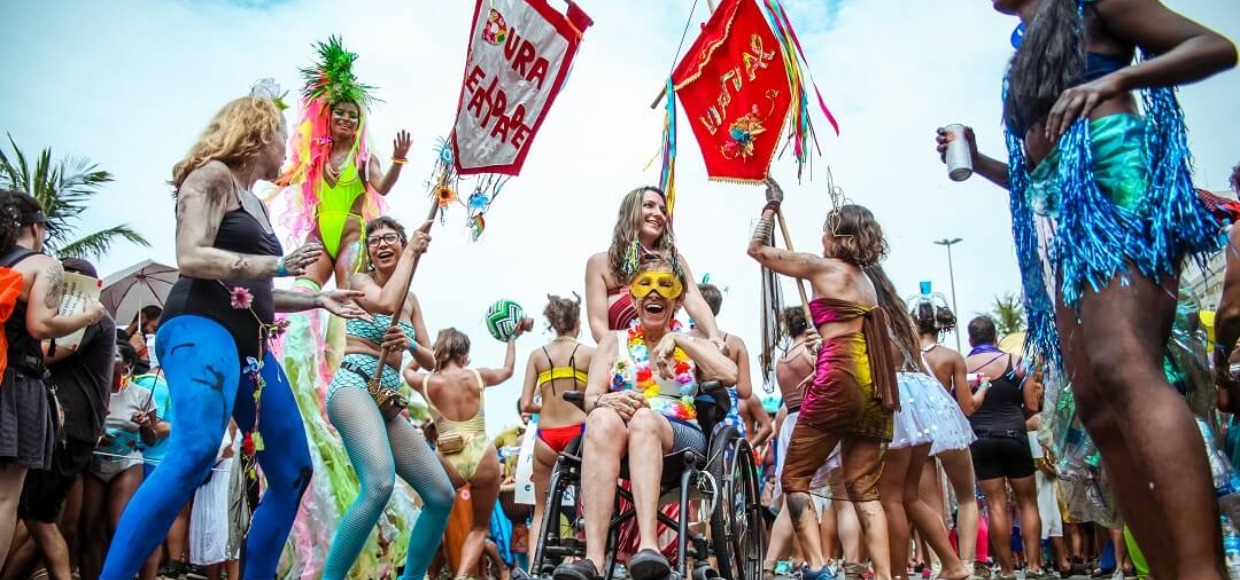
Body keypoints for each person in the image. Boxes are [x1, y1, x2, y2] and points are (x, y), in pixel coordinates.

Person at [938, 1, 1235, 576]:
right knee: (1096, 402)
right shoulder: (1030, 42)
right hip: (1066, 219)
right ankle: (1170, 569)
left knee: (1122, 366)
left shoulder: (1094, 3)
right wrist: (978, 162)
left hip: (1113, 173)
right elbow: (1032, 174)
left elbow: (1214, 47)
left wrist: (1122, 78)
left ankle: (1202, 570)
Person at [99, 85, 368, 580]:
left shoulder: (259, 205)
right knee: (197, 446)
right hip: (201, 326)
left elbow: (262, 285)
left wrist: (315, 296)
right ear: (258, 132)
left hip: (251, 348)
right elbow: (192, 256)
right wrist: (280, 264)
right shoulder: (210, 177)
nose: (289, 145)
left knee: (292, 470)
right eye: (282, 135)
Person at [748, 180, 898, 580]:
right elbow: (846, 327)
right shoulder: (868, 283)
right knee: (863, 490)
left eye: (826, 230)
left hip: (840, 377)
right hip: (873, 383)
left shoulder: (821, 266)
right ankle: (882, 575)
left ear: (838, 237)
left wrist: (770, 209)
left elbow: (758, 250)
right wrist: (823, 338)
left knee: (794, 477)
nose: (820, 237)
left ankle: (817, 567)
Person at [553, 255, 738, 580]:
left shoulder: (692, 341)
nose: (654, 293)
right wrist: (605, 399)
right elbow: (591, 397)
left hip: (679, 433)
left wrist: (679, 340)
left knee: (643, 420)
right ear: (634, 297)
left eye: (664, 286)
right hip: (618, 432)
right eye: (645, 286)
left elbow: (730, 373)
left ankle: (648, 549)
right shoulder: (613, 341)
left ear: (678, 299)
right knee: (598, 419)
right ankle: (592, 559)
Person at [320, 216, 455, 580]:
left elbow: (431, 359)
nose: (381, 244)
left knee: (442, 495)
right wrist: (411, 250)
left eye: (389, 238)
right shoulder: (361, 281)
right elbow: (383, 302)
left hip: (385, 398)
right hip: (353, 384)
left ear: (401, 242)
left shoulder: (411, 301)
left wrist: (408, 343)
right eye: (374, 240)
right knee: (379, 483)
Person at [0, 190, 105, 569]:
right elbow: (41, 326)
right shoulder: (44, 263)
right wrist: (86, 316)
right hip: (15, 382)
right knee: (6, 497)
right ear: (37, 226)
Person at [275, 36, 410, 291]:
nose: (346, 119)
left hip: (352, 235)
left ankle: (344, 332)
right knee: (303, 292)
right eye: (340, 113)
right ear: (329, 117)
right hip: (319, 233)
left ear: (359, 124)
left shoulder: (364, 157)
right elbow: (281, 178)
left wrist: (398, 160)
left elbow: (382, 186)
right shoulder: (315, 156)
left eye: (353, 116)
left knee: (347, 297)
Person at [12, 257, 115, 580]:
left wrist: (16, 342)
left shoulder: (87, 315)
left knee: (36, 516)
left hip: (67, 427)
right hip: (74, 428)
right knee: (43, 518)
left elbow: (50, 352)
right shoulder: (93, 317)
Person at [407, 326, 526, 580]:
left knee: (435, 516)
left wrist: (420, 353)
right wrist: (513, 338)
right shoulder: (476, 376)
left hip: (448, 457)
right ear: (465, 356)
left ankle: (421, 573)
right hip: (481, 451)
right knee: (479, 526)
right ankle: (462, 576)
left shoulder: (427, 382)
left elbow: (408, 370)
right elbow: (507, 371)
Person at [583, 186, 723, 347]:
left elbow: (696, 303)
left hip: (665, 359)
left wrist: (714, 336)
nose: (658, 214)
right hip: (618, 362)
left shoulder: (675, 261)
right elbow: (598, 325)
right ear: (631, 211)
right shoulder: (599, 264)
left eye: (663, 210)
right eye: (649, 205)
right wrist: (624, 358)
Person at [963, 316, 1044, 580]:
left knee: (995, 505)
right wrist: (1014, 416)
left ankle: (1007, 571)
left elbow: (961, 407)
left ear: (970, 340)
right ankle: (1033, 567)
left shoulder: (962, 366)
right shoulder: (1017, 362)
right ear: (995, 336)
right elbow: (1032, 406)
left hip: (981, 440)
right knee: (1028, 502)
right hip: (1015, 436)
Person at [517, 293, 593, 571]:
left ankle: (533, 570)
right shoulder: (588, 353)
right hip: (580, 433)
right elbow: (598, 397)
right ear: (577, 322)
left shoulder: (537, 355)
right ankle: (576, 565)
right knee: (588, 507)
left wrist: (547, 403)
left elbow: (526, 404)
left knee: (541, 509)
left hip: (545, 437)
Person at [81, 340, 167, 580]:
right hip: (94, 463)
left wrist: (146, 425)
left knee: (118, 526)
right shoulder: (94, 390)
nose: (109, 358)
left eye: (115, 355)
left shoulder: (142, 395)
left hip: (127, 463)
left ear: (127, 363)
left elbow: (149, 440)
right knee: (89, 529)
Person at [911, 297, 984, 577]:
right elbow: (968, 406)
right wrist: (983, 390)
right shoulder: (952, 357)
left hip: (918, 429)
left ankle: (940, 565)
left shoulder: (905, 356)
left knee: (931, 506)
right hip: (949, 426)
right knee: (967, 498)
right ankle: (966, 565)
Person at [695, 282, 771, 446]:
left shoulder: (681, 339)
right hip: (725, 417)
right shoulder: (735, 343)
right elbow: (745, 391)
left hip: (686, 412)